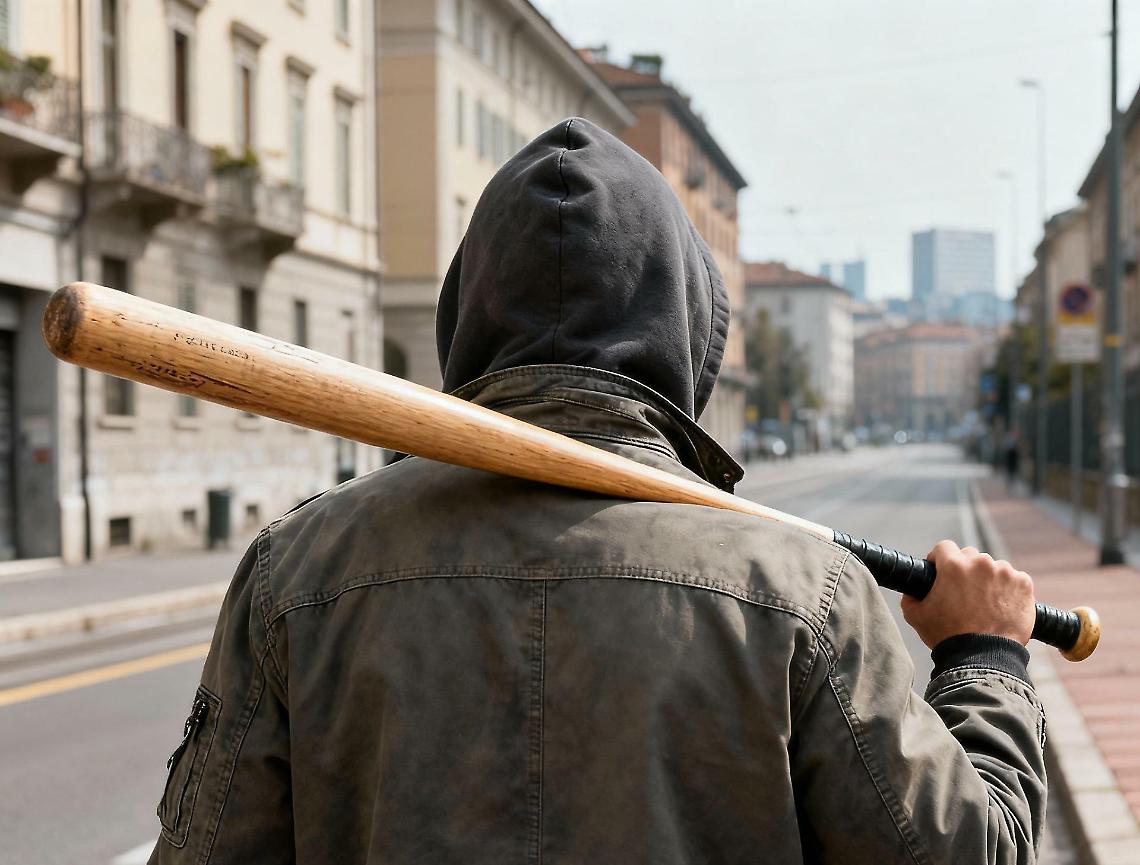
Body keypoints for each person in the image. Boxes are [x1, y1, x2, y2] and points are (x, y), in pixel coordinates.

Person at [149, 119, 1044, 865]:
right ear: (687, 324)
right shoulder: (802, 589)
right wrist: (984, 656)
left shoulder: (297, 569)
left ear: (466, 310)